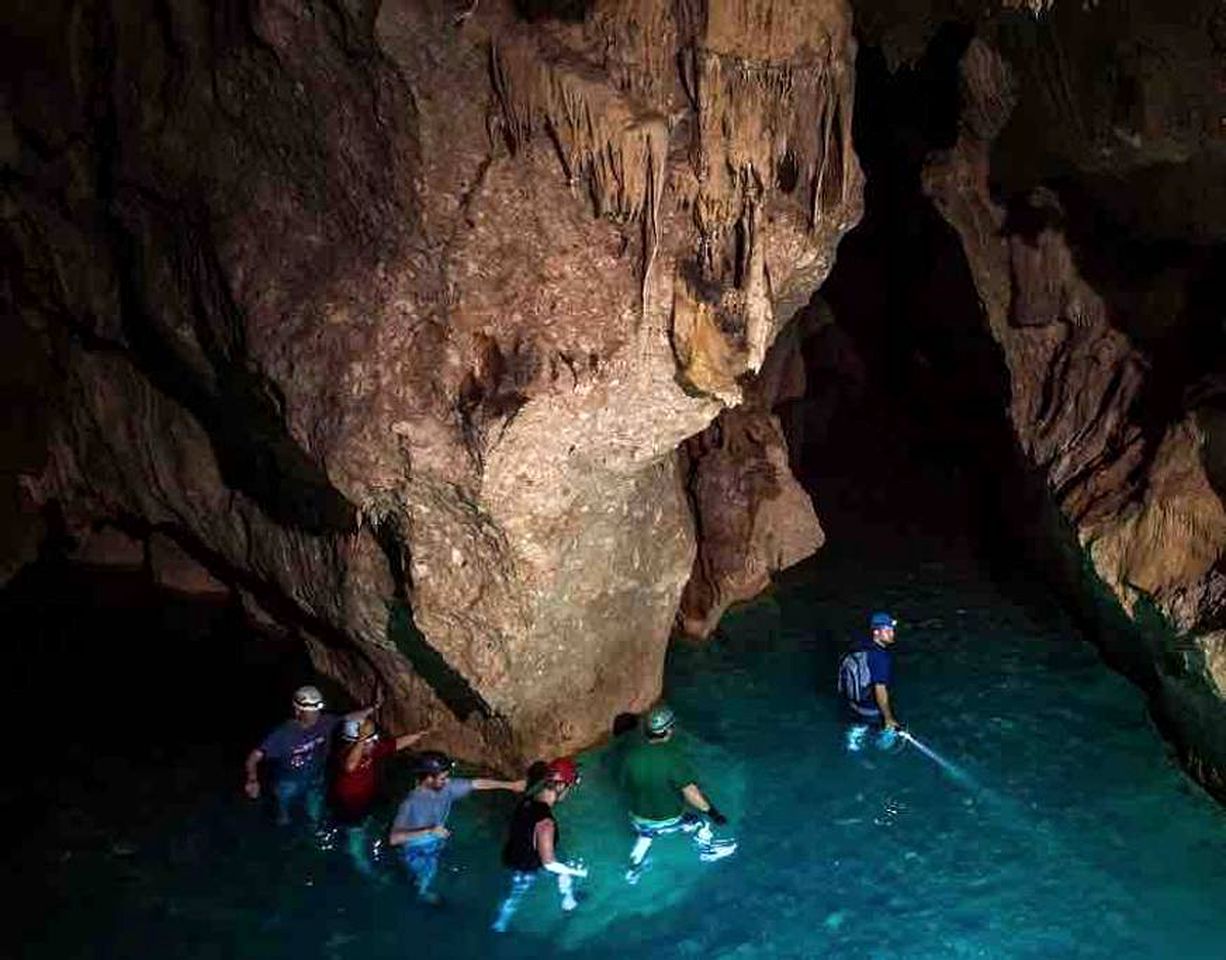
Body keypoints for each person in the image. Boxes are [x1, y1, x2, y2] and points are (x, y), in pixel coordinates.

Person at [388, 750, 526, 904]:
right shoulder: (410, 803)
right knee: (425, 875)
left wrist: (510, 785)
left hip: (436, 839)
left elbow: (476, 783)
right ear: (428, 778)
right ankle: (421, 894)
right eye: (443, 778)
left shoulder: (446, 788)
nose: (448, 781)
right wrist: (429, 831)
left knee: (436, 866)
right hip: (416, 849)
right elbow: (394, 838)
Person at [619, 704, 736, 885]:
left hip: (638, 819)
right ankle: (707, 851)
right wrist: (713, 812)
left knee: (646, 835)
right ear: (668, 730)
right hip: (668, 820)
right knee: (699, 824)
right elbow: (691, 793)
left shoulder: (630, 756)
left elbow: (625, 785)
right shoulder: (672, 757)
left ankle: (633, 869)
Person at [243, 685, 373, 826]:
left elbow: (349, 717)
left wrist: (374, 706)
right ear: (297, 710)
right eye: (310, 712)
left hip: (316, 778)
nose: (315, 715)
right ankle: (284, 822)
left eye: (317, 711)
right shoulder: (282, 734)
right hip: (288, 782)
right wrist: (252, 779)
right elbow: (253, 757)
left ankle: (313, 827)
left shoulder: (325, 722)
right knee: (283, 816)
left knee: (315, 815)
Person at [491, 757, 588, 933]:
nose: (570, 790)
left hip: (512, 857)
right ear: (560, 786)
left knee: (515, 895)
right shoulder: (546, 823)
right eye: (569, 786)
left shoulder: (527, 800)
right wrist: (579, 872)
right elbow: (549, 864)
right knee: (565, 871)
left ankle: (500, 924)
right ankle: (569, 903)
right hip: (529, 867)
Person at [329, 716, 431, 875]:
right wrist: (363, 738)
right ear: (356, 742)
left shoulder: (371, 751)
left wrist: (421, 734)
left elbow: (396, 744)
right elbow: (350, 766)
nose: (374, 743)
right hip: (349, 806)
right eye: (370, 740)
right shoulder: (344, 756)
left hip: (367, 798)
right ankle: (362, 867)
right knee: (355, 835)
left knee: (377, 820)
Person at [838, 611, 903, 752]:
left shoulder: (860, 645)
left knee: (859, 727)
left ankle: (853, 741)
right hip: (870, 710)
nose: (892, 633)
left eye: (892, 630)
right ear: (876, 632)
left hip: (853, 703)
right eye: (888, 630)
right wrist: (888, 718)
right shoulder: (880, 658)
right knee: (882, 733)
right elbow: (880, 689)